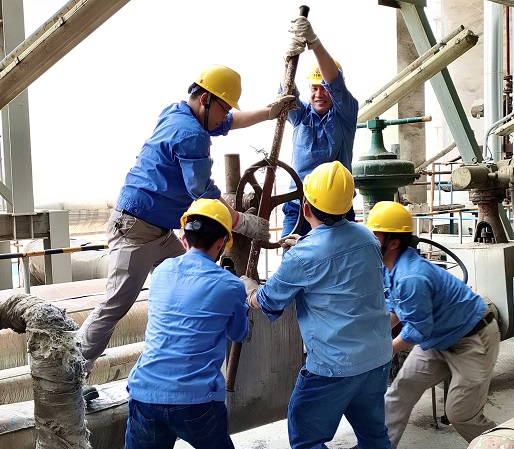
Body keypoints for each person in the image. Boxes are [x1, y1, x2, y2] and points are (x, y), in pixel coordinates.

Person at [79, 64, 294, 379]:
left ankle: (181, 363)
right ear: (206, 99)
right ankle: (70, 376)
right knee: (115, 306)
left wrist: (269, 112)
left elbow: (230, 122)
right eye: (223, 108)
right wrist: (240, 222)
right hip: (135, 230)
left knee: (195, 278)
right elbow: (201, 192)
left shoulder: (178, 112)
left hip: (158, 230)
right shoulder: (191, 133)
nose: (225, 116)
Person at [242, 161, 393, 449]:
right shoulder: (368, 239)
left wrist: (247, 287)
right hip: (377, 359)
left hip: (333, 367)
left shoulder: (303, 257)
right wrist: (305, 244)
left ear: (305, 208)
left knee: (306, 438)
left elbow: (267, 300)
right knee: (373, 436)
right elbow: (340, 263)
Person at [365, 201, 501, 447]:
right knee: (400, 392)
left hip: (472, 339)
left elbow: (417, 330)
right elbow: (396, 309)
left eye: (375, 235)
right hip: (439, 340)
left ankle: (508, 444)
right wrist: (375, 338)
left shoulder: (411, 277)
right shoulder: (391, 266)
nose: (369, 241)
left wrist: (384, 350)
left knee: (462, 414)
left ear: (393, 243)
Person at [124, 198, 249, 449]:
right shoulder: (230, 285)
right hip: (197, 400)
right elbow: (239, 333)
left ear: (183, 239)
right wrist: (243, 296)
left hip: (146, 392)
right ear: (222, 243)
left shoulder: (161, 271)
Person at [281, 16, 359, 238]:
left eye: (323, 88)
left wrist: (314, 43)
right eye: (314, 88)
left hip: (336, 208)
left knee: (342, 257)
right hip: (299, 205)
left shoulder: (346, 113)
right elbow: (286, 93)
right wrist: (287, 62)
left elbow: (335, 84)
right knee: (291, 255)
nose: (318, 94)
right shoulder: (300, 114)